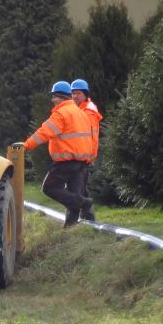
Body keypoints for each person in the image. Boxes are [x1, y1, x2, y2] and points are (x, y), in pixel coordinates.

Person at [16, 81, 94, 228]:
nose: (52, 100)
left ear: (61, 97)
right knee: (73, 195)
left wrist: (26, 146)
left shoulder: (61, 113)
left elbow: (43, 133)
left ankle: (85, 202)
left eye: (54, 97)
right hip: (81, 162)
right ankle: (70, 227)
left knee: (49, 188)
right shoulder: (80, 113)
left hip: (66, 162)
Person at [71, 78, 102, 221]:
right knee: (80, 188)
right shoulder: (80, 109)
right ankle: (88, 219)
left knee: (78, 189)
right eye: (73, 93)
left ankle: (85, 220)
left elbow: (92, 137)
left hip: (84, 157)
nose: (75, 96)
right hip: (80, 156)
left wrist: (89, 156)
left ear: (85, 94)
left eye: (78, 93)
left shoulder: (88, 112)